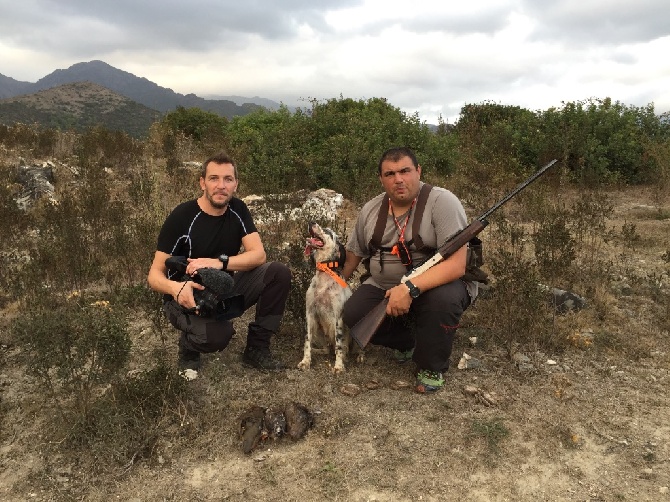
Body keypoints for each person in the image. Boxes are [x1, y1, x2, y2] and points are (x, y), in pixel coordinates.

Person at [341, 147, 478, 393]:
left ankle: (431, 366)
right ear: (381, 179)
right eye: (390, 174)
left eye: (405, 171)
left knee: (442, 301)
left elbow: (458, 265)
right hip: (384, 284)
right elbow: (355, 254)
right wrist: (335, 282)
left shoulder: (443, 202)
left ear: (418, 171)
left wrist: (409, 288)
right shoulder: (370, 210)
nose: (399, 179)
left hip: (439, 283)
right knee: (353, 313)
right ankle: (409, 342)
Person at [147, 151, 291, 372]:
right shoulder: (182, 218)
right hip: (186, 296)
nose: (221, 185)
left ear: (236, 184)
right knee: (218, 337)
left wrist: (218, 262)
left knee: (278, 273)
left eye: (228, 179)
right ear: (202, 183)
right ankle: (188, 346)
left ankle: (257, 349)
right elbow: (154, 275)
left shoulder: (238, 210)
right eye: (214, 178)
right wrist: (176, 288)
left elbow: (258, 255)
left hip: (223, 287)